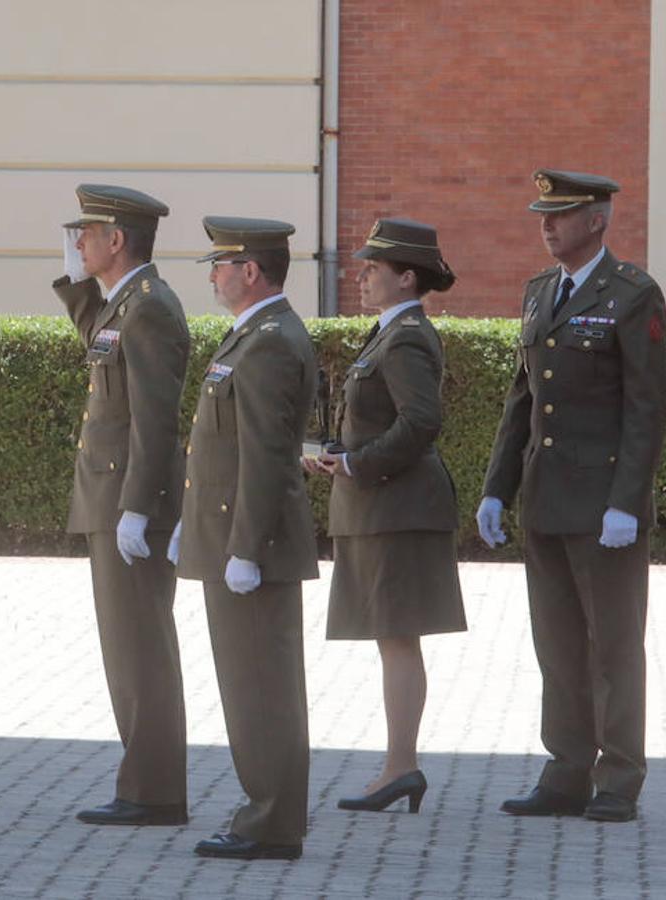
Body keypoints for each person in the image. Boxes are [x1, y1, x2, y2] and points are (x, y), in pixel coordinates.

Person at [477, 169, 666, 824]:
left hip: (603, 504)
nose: (546, 225)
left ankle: (617, 776)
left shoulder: (632, 294)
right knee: (557, 644)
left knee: (613, 645)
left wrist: (627, 499)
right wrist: (497, 489)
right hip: (546, 495)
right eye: (543, 214)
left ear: (597, 220)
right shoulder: (539, 293)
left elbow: (647, 408)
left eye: (561, 215)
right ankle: (565, 772)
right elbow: (522, 401)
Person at [305, 218, 466, 814]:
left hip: (398, 507)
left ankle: (402, 767)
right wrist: (344, 457)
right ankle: (400, 765)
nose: (362, 276)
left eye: (374, 268)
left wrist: (357, 464)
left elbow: (421, 421)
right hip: (383, 506)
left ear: (406, 277)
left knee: (398, 639)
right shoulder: (390, 333)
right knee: (391, 639)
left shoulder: (406, 337)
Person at [172, 217, 319, 860]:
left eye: (220, 264)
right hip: (229, 534)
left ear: (250, 271)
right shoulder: (256, 336)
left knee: (262, 688)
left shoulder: (268, 342)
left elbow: (263, 455)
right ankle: (266, 813)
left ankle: (271, 822)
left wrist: (246, 548)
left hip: (250, 544)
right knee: (249, 686)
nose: (212, 275)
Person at [52, 184, 190, 827]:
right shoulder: (123, 304)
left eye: (87, 232)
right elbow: (97, 343)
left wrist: (138, 506)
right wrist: (76, 277)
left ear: (118, 240)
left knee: (142, 650)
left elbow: (156, 421)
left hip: (129, 504)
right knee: (126, 650)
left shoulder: (151, 308)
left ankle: (154, 791)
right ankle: (144, 784)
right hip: (110, 499)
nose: (78, 242)